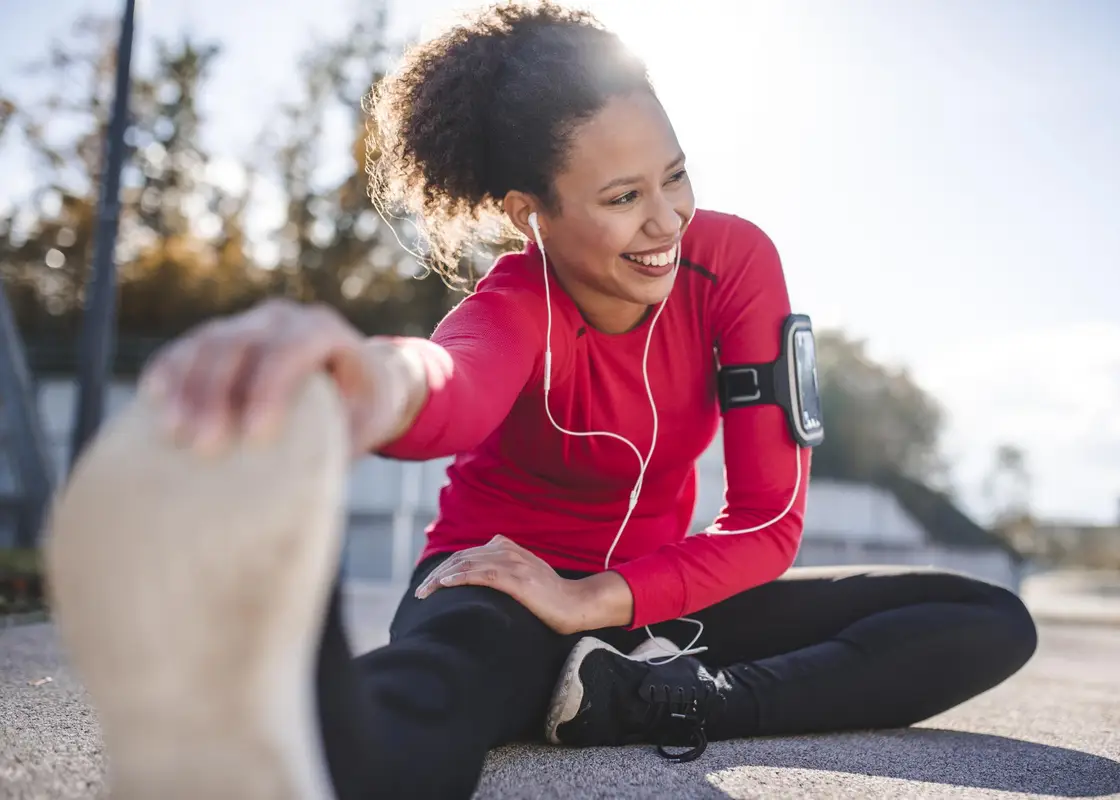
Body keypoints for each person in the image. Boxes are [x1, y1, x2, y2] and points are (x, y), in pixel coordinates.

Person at [43, 3, 1038, 799]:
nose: (666, 221)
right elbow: (449, 384)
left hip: (649, 605)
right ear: (533, 213)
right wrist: (359, 375)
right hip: (501, 582)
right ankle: (273, 731)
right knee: (443, 690)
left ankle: (643, 699)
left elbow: (769, 522)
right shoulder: (516, 300)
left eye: (676, 177)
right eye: (621, 199)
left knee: (981, 618)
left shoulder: (734, 262)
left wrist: (601, 607)